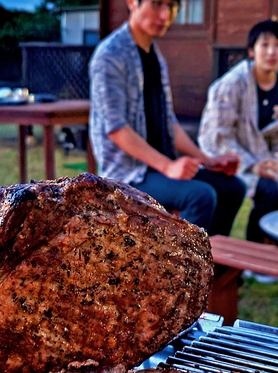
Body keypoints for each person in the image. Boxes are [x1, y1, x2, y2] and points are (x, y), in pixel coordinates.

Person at [88, 0, 247, 236]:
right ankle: (182, 269)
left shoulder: (154, 56)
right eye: (157, 4)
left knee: (232, 187)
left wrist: (207, 160)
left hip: (159, 167)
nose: (165, 14)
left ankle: (217, 264)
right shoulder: (110, 55)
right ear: (132, 3)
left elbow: (168, 122)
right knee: (200, 196)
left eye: (172, 6)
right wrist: (168, 166)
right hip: (127, 174)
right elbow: (117, 129)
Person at [198, 20, 278, 280]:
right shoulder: (232, 85)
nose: (271, 52)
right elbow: (216, 135)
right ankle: (254, 259)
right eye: (264, 45)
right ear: (251, 50)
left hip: (272, 162)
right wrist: (252, 164)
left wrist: (277, 162)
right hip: (234, 161)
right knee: (267, 191)